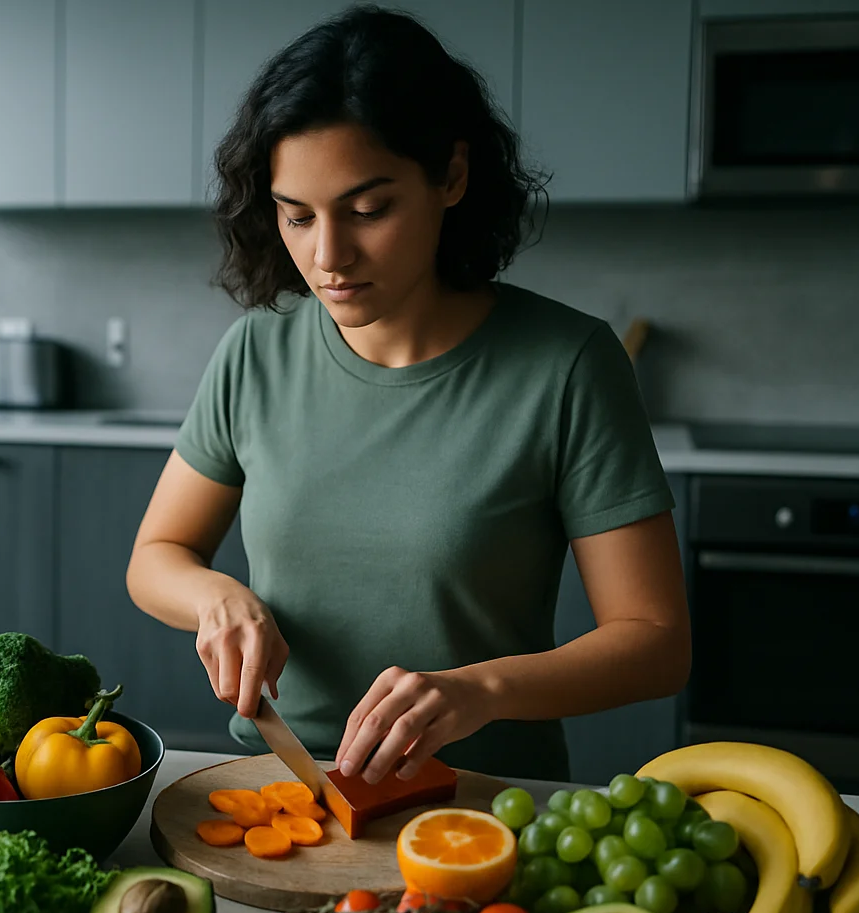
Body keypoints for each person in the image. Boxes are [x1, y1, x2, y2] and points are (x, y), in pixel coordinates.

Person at [125, 5, 690, 787]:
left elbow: (656, 641)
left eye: (367, 210)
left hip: (484, 802)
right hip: (276, 790)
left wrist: (478, 690)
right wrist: (217, 598)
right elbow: (156, 558)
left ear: (452, 177)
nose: (328, 256)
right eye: (297, 216)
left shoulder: (568, 364)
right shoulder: (255, 352)